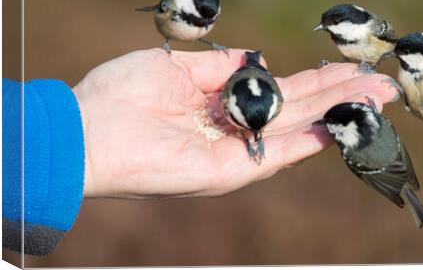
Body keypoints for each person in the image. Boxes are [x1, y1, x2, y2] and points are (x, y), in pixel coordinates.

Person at [3, 48, 398, 255]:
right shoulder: (228, 97)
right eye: (244, 124)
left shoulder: (272, 101)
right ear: (229, 103)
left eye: (258, 128)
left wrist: (66, 133)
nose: (253, 134)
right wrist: (78, 129)